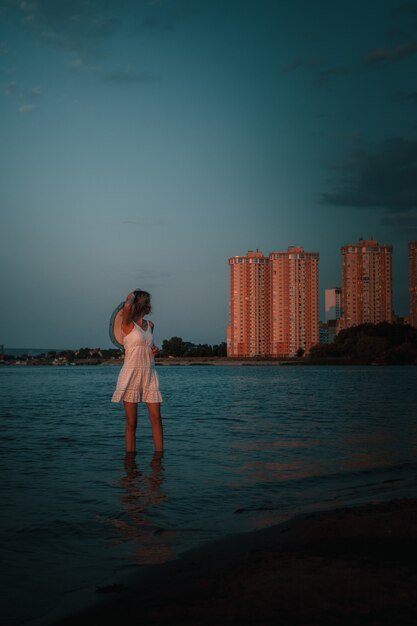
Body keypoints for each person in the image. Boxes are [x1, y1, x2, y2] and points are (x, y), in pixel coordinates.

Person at [111, 290, 163, 453]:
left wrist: (154, 350)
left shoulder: (150, 325)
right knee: (132, 423)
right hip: (131, 374)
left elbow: (147, 346)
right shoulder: (126, 324)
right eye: (147, 301)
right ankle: (130, 463)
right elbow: (126, 307)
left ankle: (159, 459)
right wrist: (131, 296)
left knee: (156, 419)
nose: (149, 304)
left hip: (149, 373)